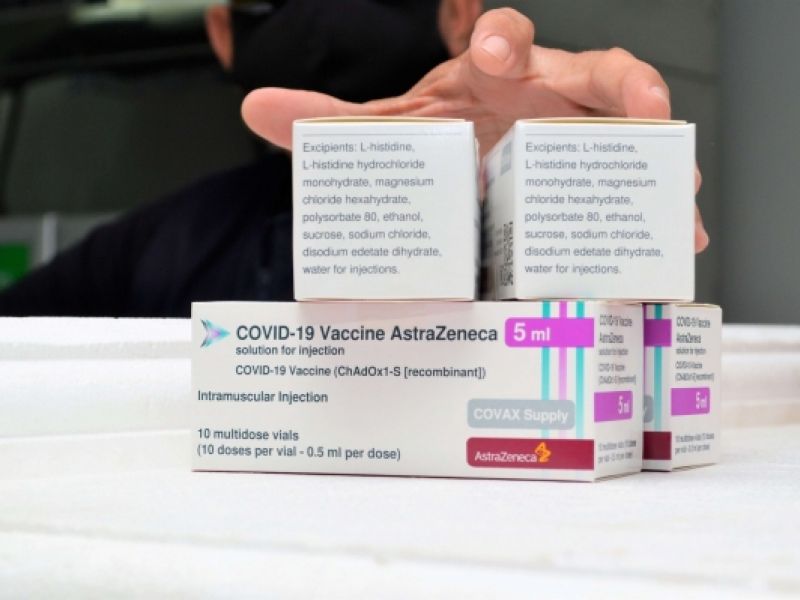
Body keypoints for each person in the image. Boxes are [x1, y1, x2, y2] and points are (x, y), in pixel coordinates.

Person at [0, 0, 708, 317]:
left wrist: (558, 199)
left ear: (459, 11)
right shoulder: (147, 253)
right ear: (223, 33)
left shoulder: (511, 201)